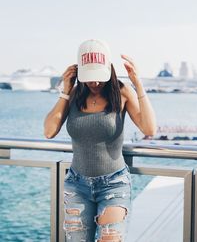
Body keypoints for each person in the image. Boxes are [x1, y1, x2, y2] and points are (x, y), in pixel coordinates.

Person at [44, 39, 157, 242]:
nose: (94, 83)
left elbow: (149, 128)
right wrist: (65, 90)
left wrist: (138, 83)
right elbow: (49, 131)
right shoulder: (74, 95)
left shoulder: (121, 92)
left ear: (109, 69)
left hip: (114, 185)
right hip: (77, 185)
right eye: (88, 77)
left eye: (98, 77)